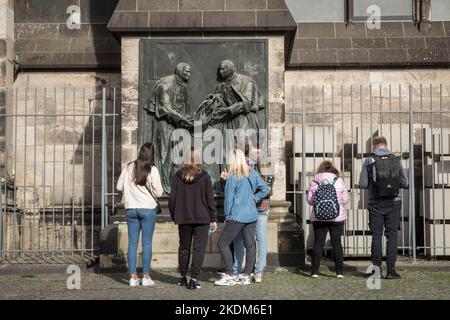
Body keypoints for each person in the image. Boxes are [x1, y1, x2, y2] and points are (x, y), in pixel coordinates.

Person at [215, 148, 270, 286]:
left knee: (222, 243)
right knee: (250, 244)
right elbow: (266, 189)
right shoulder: (252, 173)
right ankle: (246, 275)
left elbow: (229, 199)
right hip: (251, 215)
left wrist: (227, 215)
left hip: (236, 215)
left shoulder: (233, 175)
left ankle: (230, 274)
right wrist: (255, 198)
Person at [359, 136, 408, 279]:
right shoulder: (395, 159)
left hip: (376, 204)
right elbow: (404, 183)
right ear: (386, 145)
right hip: (394, 203)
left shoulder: (369, 160)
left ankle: (375, 271)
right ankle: (391, 271)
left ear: (374, 146)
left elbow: (362, 184)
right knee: (392, 236)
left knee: (376, 236)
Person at [168, 148, 217, 290]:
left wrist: (175, 215)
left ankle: (182, 277)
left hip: (183, 218)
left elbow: (172, 200)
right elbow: (210, 200)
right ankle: (194, 279)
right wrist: (213, 217)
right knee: (198, 250)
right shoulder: (205, 176)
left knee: (184, 248)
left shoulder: (178, 176)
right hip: (202, 218)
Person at [116, 143, 163, 287]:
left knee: (132, 244)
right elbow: (159, 192)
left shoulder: (129, 167)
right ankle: (146, 276)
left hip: (131, 209)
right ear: (151, 154)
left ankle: (132, 277)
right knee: (147, 243)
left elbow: (118, 187)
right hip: (148, 209)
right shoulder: (152, 170)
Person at [145, 62, 195, 194]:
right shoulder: (165, 85)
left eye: (190, 72)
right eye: (187, 72)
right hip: (165, 124)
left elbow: (184, 107)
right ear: (179, 72)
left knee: (179, 153)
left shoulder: (182, 87)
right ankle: (162, 185)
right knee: (164, 153)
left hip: (177, 123)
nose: (189, 75)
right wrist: (183, 119)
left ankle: (175, 183)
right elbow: (166, 108)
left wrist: (189, 119)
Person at [229, 144, 274, 283]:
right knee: (261, 239)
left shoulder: (242, 163)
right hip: (262, 206)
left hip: (245, 207)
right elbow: (269, 188)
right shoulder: (267, 162)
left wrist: (252, 197)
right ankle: (258, 272)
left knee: (239, 239)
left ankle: (237, 268)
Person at [307, 161, 349, 278]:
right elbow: (345, 200)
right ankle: (339, 272)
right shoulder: (338, 181)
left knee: (318, 243)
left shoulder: (315, 182)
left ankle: (314, 271)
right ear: (333, 170)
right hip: (337, 217)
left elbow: (310, 200)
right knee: (336, 243)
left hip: (319, 217)